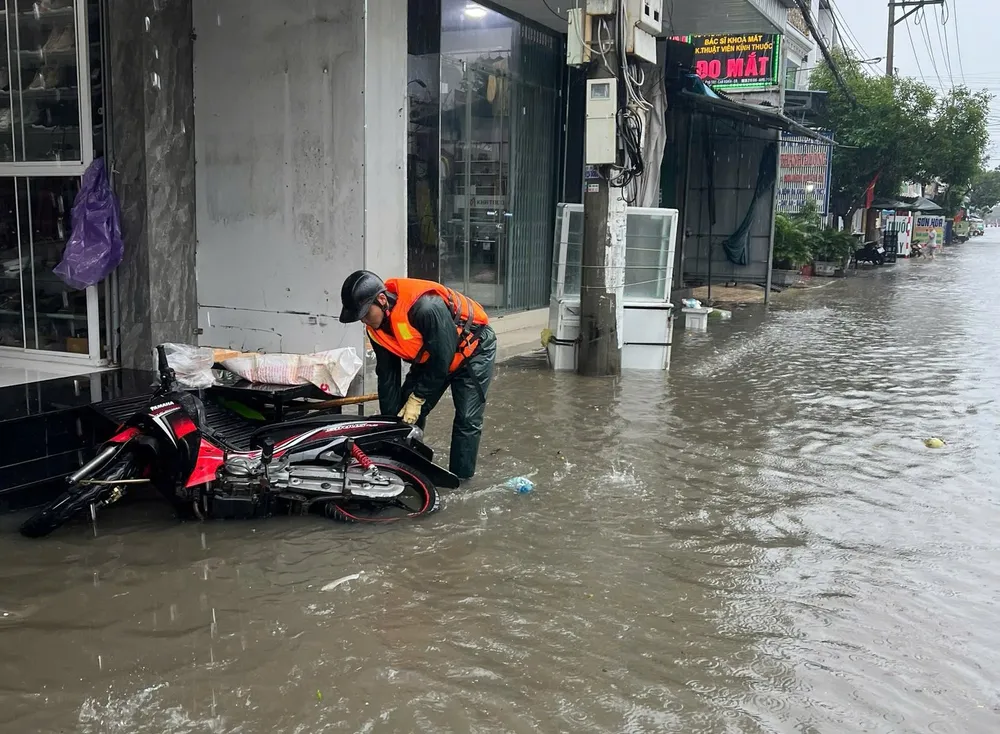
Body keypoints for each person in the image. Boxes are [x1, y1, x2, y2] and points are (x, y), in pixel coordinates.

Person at [338, 270, 496, 480]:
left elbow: (443, 360)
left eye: (366, 314)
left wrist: (419, 396)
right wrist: (390, 424)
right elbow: (387, 378)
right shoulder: (376, 330)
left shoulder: (426, 308)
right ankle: (406, 469)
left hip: (472, 353)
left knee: (467, 418)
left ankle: (461, 478)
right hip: (431, 357)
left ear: (382, 300)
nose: (365, 321)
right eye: (360, 317)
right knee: (404, 413)